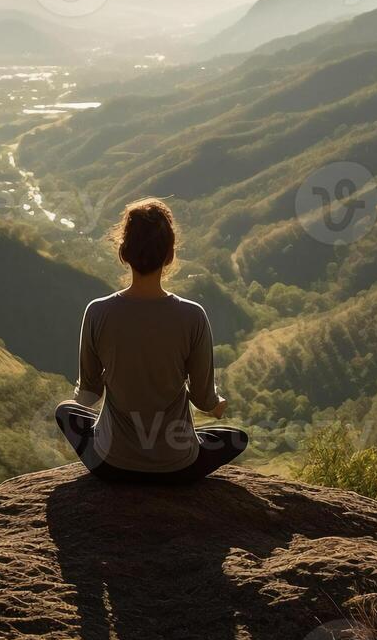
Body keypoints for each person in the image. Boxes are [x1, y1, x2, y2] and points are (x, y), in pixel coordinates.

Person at [55, 198, 248, 483]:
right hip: (176, 467)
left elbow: (89, 395)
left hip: (112, 464)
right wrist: (218, 403)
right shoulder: (192, 316)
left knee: (65, 412)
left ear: (123, 252)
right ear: (169, 255)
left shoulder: (98, 312)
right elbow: (203, 399)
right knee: (235, 438)